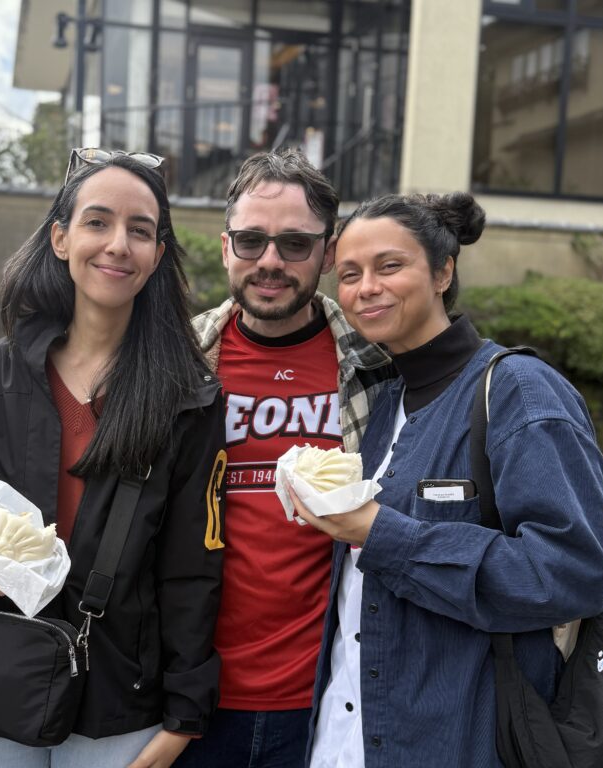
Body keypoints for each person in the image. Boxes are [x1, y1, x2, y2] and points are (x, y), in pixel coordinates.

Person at [294, 192, 603, 767]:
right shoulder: (381, 401)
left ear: (444, 271)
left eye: (390, 266)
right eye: (349, 274)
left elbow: (571, 573)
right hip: (346, 736)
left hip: (461, 741)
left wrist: (381, 533)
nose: (366, 287)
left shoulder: (518, 391)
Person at [0, 148, 227, 768]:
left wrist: (184, 715)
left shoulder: (189, 397)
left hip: (120, 694)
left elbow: (192, 569)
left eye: (141, 230)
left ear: (157, 256)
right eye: (98, 222)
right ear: (60, 238)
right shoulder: (1, 371)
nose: (118, 244)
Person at [179, 149, 390, 768]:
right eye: (251, 241)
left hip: (328, 695)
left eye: (294, 244)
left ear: (328, 255)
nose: (270, 261)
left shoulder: (378, 367)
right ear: (225, 248)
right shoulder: (177, 364)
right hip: (189, 692)